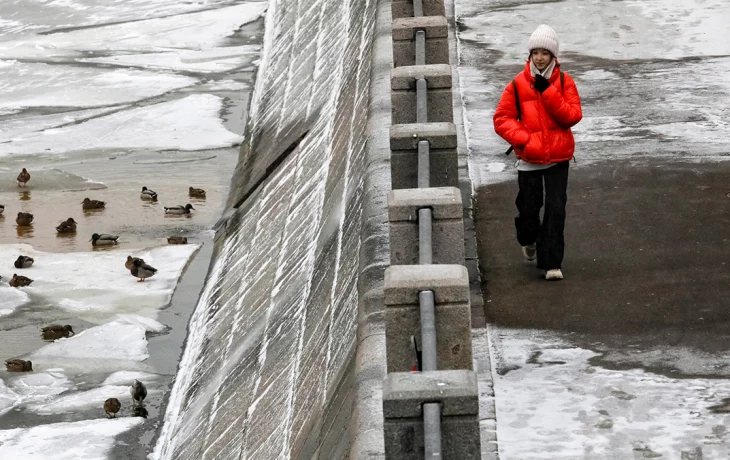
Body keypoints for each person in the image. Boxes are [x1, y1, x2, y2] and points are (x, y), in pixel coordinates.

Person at [493, 24, 583, 281]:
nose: (540, 57)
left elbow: (572, 116)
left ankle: (551, 262)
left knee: (556, 209)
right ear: (530, 55)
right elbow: (502, 118)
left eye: (545, 52)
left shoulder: (565, 82)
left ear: (554, 56)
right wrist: (524, 139)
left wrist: (548, 91)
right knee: (529, 208)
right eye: (536, 52)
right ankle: (528, 238)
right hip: (529, 158)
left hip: (558, 158)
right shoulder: (518, 84)